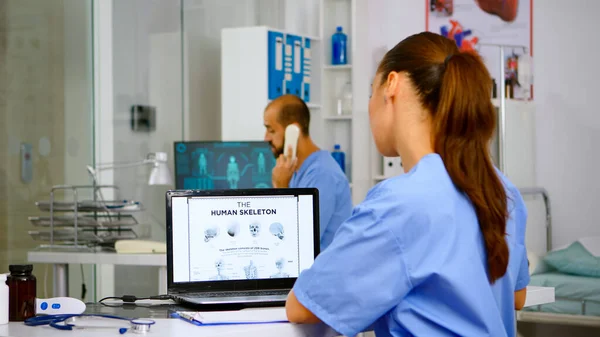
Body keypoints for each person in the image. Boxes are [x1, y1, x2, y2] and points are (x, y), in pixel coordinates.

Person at [285, 32, 529, 337]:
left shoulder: (399, 204)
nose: (370, 106)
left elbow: (302, 307)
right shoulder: (504, 191)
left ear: (391, 85)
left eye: (370, 91)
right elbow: (517, 296)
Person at [263, 94, 353, 251]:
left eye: (271, 130)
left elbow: (298, 241)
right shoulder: (297, 171)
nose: (266, 138)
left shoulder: (322, 175)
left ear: (293, 131)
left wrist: (281, 188)